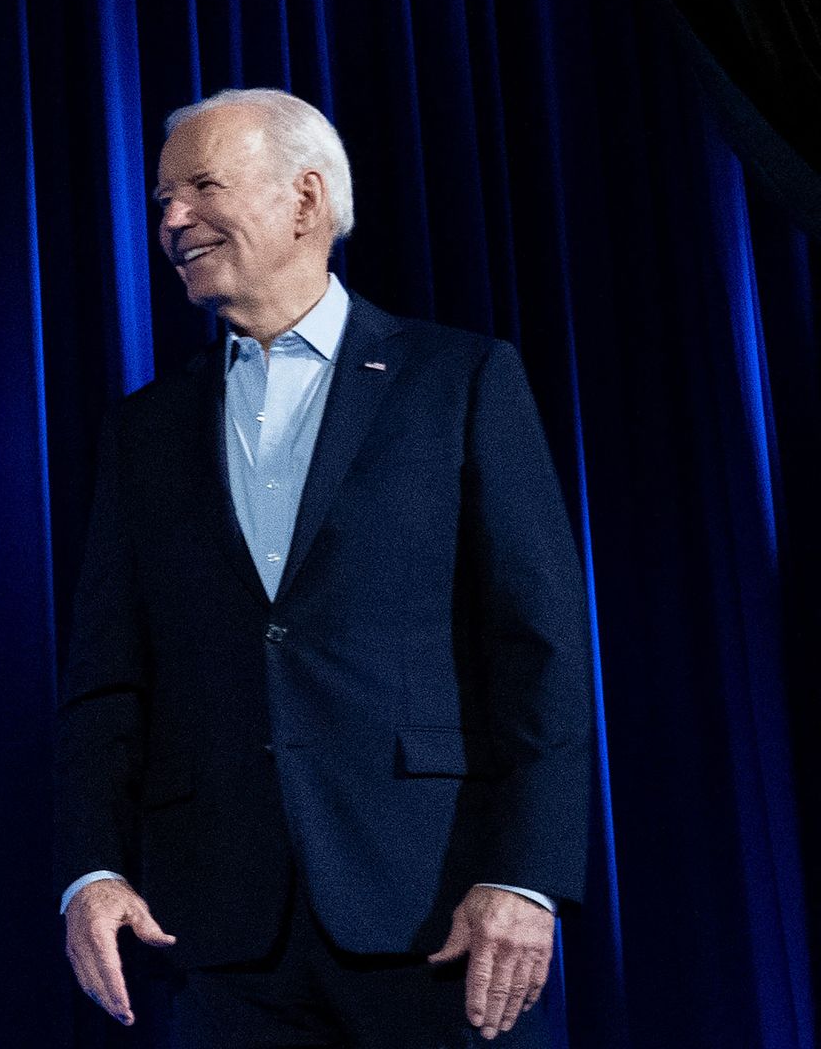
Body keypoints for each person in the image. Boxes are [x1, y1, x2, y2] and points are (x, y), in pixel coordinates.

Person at [56, 88, 590, 1047]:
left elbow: (540, 647)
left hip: (438, 918)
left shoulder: (460, 381)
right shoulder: (145, 431)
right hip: (219, 930)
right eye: (161, 201)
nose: (172, 220)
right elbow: (107, 680)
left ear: (305, 201)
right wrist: (92, 870)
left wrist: (526, 876)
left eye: (201, 187)